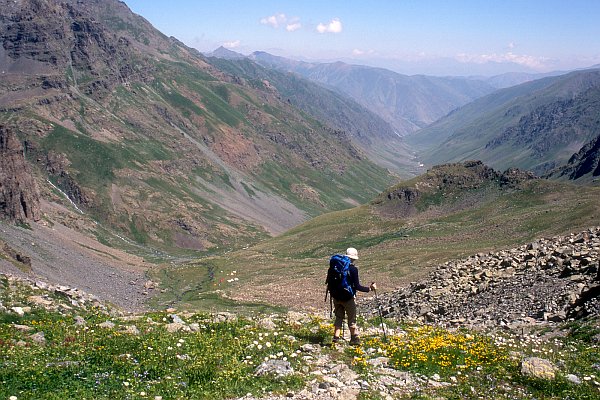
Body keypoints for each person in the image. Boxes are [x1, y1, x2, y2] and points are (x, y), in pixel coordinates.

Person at [327, 247, 376, 345]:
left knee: (339, 317)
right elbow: (357, 286)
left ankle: (336, 338)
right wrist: (370, 289)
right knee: (352, 318)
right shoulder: (353, 269)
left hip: (336, 297)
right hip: (348, 298)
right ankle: (354, 339)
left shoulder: (334, 267)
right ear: (354, 258)